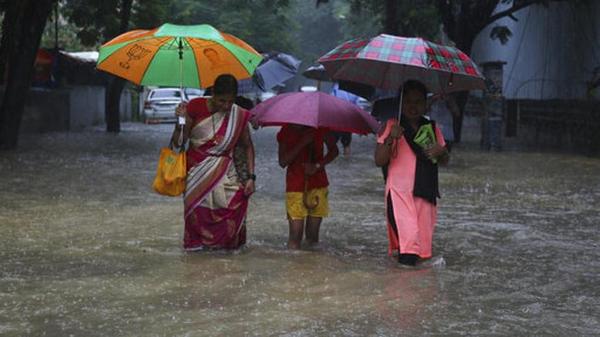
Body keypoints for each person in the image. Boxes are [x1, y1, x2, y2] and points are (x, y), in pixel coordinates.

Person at [173, 74, 256, 250]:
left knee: (232, 212)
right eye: (221, 101)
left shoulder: (238, 115)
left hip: (227, 173)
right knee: (197, 218)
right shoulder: (195, 107)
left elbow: (248, 146)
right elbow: (178, 144)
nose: (226, 106)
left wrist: (251, 177)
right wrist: (180, 121)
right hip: (196, 175)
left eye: (230, 101)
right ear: (213, 94)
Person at [374, 80, 449, 266]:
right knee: (408, 249)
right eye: (407, 101)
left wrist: (442, 152)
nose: (412, 106)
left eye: (417, 101)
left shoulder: (432, 129)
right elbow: (379, 160)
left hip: (425, 194)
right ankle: (402, 291)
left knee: (422, 251)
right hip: (399, 195)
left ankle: (415, 290)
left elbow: (445, 160)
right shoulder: (392, 126)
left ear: (425, 104)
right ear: (400, 103)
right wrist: (392, 137)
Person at [277, 124, 339, 249]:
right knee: (295, 235)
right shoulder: (286, 130)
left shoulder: (320, 128)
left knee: (312, 237)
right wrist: (302, 143)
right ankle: (294, 267)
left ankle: (311, 267)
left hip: (318, 184)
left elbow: (334, 151)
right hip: (295, 186)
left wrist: (317, 166)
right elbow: (283, 162)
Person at [331, 83, 360, 156]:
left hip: (336, 118)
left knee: (332, 142)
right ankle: (347, 158)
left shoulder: (336, 86)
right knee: (346, 143)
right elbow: (357, 105)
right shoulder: (354, 88)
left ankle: (331, 158)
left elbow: (331, 99)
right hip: (348, 118)